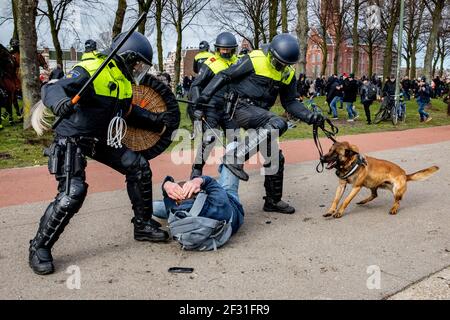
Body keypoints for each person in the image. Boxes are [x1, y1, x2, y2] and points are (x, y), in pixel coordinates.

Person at [28, 31, 178, 275]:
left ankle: (142, 225)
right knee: (72, 192)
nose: (139, 68)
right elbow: (52, 90)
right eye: (137, 62)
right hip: (73, 137)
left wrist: (156, 121)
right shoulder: (91, 67)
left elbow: (128, 112)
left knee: (138, 167)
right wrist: (59, 103)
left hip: (102, 138)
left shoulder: (122, 80)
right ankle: (39, 247)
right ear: (126, 56)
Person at [193, 34, 325, 214]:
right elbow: (225, 75)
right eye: (278, 63)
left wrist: (311, 116)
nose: (282, 67)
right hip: (239, 108)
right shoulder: (255, 59)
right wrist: (203, 98)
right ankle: (234, 158)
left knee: (275, 156)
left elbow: (290, 102)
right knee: (278, 122)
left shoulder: (288, 73)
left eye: (286, 64)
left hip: (260, 116)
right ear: (271, 53)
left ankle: (272, 201)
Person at [189, 31, 240, 178]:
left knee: (235, 138)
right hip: (212, 106)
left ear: (233, 49)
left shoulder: (238, 62)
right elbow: (196, 86)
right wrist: (198, 108)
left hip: (230, 108)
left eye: (228, 49)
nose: (225, 51)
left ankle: (229, 171)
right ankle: (196, 170)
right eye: (222, 49)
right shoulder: (210, 63)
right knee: (210, 138)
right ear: (217, 48)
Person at [153, 163, 244, 240]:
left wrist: (166, 184)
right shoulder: (218, 202)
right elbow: (212, 183)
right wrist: (197, 181)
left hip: (188, 221)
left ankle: (140, 213)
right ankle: (200, 174)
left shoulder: (173, 209)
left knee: (152, 207)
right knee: (232, 158)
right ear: (198, 193)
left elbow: (167, 196)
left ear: (175, 201)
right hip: (231, 211)